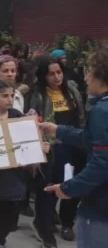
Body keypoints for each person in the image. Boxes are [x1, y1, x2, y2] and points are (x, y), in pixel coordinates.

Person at [0, 80, 49, 247]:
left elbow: (27, 141)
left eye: (12, 95)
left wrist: (40, 145)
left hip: (14, 173)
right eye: (4, 96)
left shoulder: (17, 117)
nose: (9, 99)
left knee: (11, 210)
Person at [40, 47, 108, 247]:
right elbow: (90, 139)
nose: (85, 78)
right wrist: (58, 130)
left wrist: (68, 188)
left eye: (89, 71)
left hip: (101, 207)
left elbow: (102, 162)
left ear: (100, 74)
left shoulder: (102, 110)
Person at [28, 55, 86, 246]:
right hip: (49, 148)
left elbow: (80, 118)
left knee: (70, 185)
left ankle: (66, 222)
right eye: (51, 74)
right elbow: (32, 124)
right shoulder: (37, 95)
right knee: (47, 189)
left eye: (59, 72)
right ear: (43, 76)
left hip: (73, 147)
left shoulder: (72, 90)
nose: (57, 77)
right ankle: (43, 226)